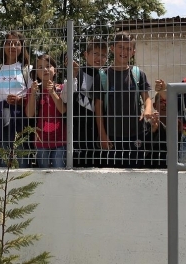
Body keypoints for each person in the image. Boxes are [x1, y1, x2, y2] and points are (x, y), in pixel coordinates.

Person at [95, 32, 153, 167]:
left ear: (133, 52)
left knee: (136, 173)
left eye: (128, 48)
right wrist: (102, 135)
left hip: (136, 134)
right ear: (112, 48)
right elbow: (98, 108)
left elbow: (147, 98)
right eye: (121, 47)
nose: (124, 51)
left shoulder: (138, 74)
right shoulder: (103, 76)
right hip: (112, 135)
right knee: (112, 174)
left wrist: (148, 108)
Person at [0, 31, 33, 166]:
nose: (12, 46)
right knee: (4, 159)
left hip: (21, 120)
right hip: (2, 121)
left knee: (22, 159)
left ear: (22, 47)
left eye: (16, 43)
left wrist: (19, 100)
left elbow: (34, 97)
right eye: (8, 43)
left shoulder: (28, 70)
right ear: (3, 46)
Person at [67, 39, 108, 167]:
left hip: (97, 130)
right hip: (77, 130)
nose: (99, 58)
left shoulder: (105, 75)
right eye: (95, 53)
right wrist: (73, 75)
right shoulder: (77, 72)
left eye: (103, 55)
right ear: (86, 54)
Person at [26, 53, 68, 168]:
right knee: (43, 173)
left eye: (48, 66)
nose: (45, 69)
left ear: (55, 70)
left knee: (59, 170)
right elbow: (29, 114)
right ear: (36, 72)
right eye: (40, 67)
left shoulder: (61, 89)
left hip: (60, 140)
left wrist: (52, 92)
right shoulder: (33, 91)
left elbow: (63, 110)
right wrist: (33, 93)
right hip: (41, 142)